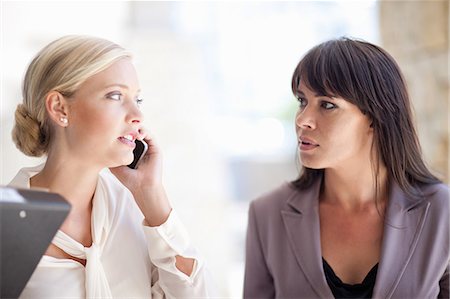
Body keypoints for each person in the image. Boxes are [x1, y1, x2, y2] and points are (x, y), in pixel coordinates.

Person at [243, 37, 449, 298]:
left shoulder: (443, 213)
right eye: (302, 101)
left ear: (375, 119)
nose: (303, 119)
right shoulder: (267, 215)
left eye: (327, 105)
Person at [9, 35, 213, 298]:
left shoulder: (134, 211)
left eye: (137, 100)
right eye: (115, 96)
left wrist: (151, 194)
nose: (137, 116)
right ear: (60, 108)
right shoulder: (9, 225)